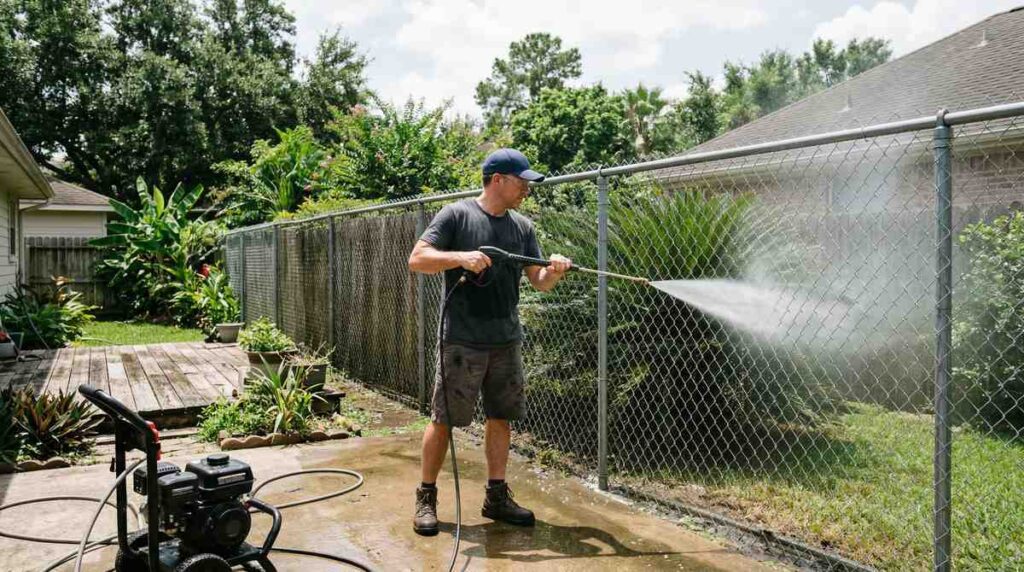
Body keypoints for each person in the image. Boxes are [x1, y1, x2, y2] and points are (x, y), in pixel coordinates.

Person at [407, 148, 571, 536]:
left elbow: (540, 282)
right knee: (444, 420)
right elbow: (418, 259)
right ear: (498, 179)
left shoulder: (522, 228)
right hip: (461, 341)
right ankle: (426, 497)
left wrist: (555, 269)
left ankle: (496, 497)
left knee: (501, 418)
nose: (527, 189)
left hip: (505, 340)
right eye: (522, 182)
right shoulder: (457, 215)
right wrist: (460, 258)